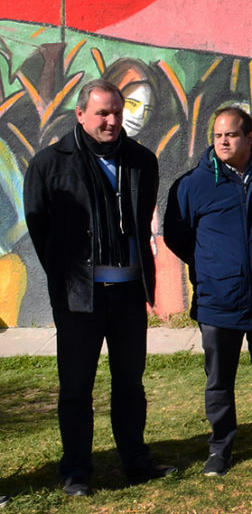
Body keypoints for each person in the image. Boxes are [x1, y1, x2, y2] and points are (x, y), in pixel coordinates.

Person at [22, 79, 174, 496]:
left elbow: (142, 218)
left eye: (116, 112)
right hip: (79, 297)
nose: (111, 120)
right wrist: (67, 275)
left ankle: (135, 460)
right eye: (102, 113)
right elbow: (40, 227)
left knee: (130, 383)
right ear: (81, 115)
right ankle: (75, 471)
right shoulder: (51, 163)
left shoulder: (141, 160)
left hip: (127, 292)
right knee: (76, 388)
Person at [164, 107, 252, 476]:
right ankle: (220, 448)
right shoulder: (192, 185)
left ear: (249, 137)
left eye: (231, 134)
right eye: (218, 135)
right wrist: (213, 266)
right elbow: (178, 235)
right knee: (219, 380)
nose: (224, 141)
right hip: (218, 300)